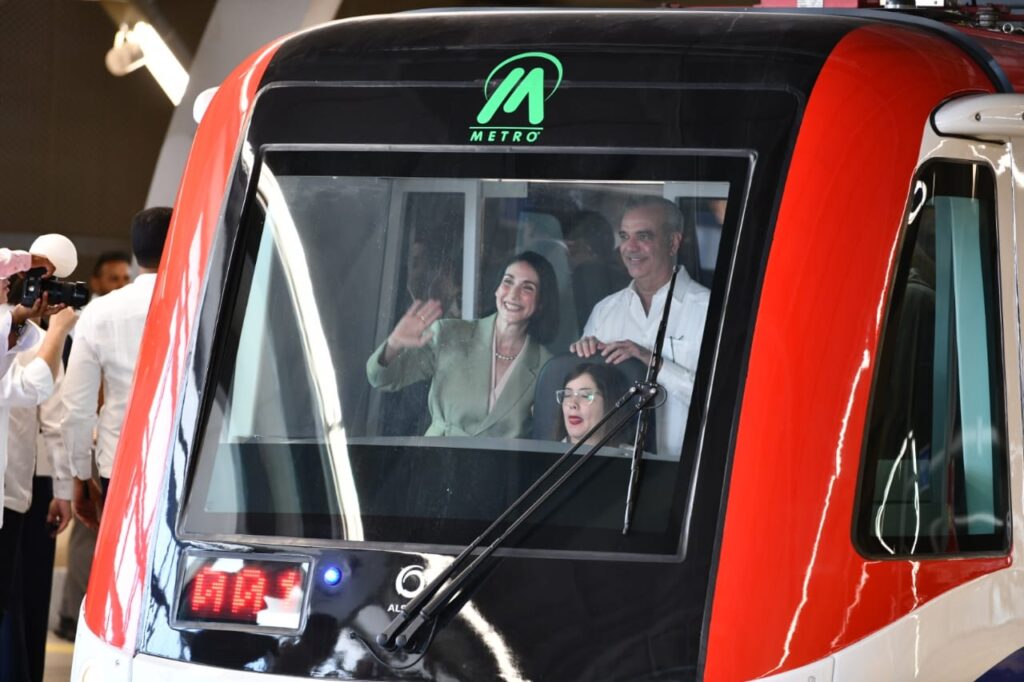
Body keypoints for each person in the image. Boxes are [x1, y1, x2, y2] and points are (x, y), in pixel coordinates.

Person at [570, 196, 709, 456]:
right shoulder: (604, 312)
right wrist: (583, 356)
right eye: (624, 236)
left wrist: (651, 361)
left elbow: (724, 401)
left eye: (643, 236)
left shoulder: (709, 310)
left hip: (688, 474)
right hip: (614, 471)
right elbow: (584, 397)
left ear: (673, 242)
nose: (629, 247)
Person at [367, 251, 558, 439]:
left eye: (528, 288)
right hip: (436, 461)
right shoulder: (449, 333)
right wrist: (395, 343)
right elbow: (382, 379)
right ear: (497, 290)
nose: (514, 294)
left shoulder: (547, 366)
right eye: (508, 282)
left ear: (541, 302)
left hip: (500, 468)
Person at [62, 207, 171, 530]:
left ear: (136, 253)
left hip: (120, 464)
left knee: (125, 571)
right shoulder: (203, 302)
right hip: (191, 466)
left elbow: (77, 407)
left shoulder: (99, 312)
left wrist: (81, 475)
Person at [54, 251, 133, 643]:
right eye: (113, 278)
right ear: (96, 281)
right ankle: (75, 613)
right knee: (89, 540)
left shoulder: (115, 315)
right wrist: (79, 469)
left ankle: (93, 620)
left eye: (124, 277)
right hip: (102, 442)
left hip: (113, 446)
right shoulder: (91, 319)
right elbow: (79, 399)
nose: (119, 283)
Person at [556, 363, 632, 447]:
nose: (573, 404)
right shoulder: (546, 456)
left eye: (585, 395)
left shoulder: (634, 458)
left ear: (609, 402)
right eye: (567, 395)